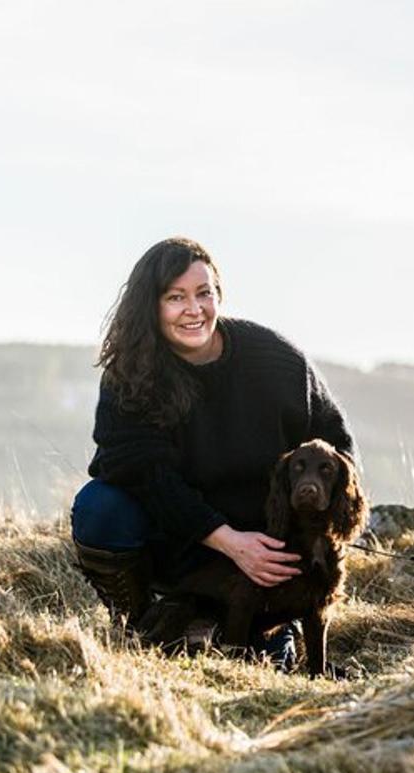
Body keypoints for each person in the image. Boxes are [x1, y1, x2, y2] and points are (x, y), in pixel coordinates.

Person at [71, 236, 354, 662]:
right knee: (99, 507)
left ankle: (278, 623)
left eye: (204, 293)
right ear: (151, 306)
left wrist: (322, 533)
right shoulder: (130, 376)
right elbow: (142, 474)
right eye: (175, 297)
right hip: (179, 536)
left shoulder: (273, 360)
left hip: (268, 543)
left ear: (219, 295)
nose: (194, 309)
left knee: (270, 594)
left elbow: (335, 443)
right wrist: (226, 540)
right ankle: (142, 616)